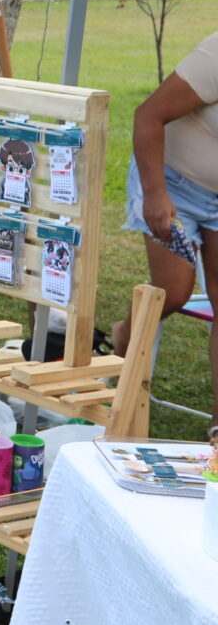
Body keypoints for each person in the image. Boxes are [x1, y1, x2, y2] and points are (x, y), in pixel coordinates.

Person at [125, 29, 218, 437]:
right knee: (174, 291)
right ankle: (123, 339)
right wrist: (155, 194)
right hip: (170, 180)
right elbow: (147, 115)